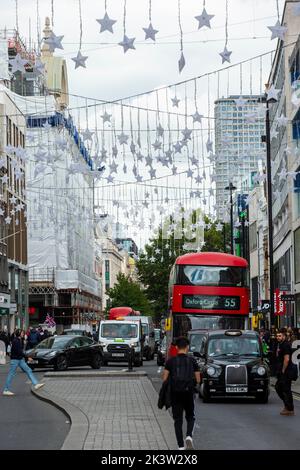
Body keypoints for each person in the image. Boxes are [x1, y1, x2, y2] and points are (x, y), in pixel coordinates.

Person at [163, 336, 201, 450]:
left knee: (177, 420)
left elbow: (164, 378)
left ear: (176, 347)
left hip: (175, 394)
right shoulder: (192, 361)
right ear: (187, 347)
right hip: (188, 393)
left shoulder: (170, 361)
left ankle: (180, 446)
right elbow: (198, 379)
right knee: (190, 416)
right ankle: (189, 436)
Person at [2, 329, 44, 396]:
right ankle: (6, 390)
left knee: (28, 370)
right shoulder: (15, 341)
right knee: (11, 374)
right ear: (19, 333)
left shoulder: (19, 340)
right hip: (15, 360)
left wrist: (24, 344)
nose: (23, 334)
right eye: (22, 333)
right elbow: (19, 351)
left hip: (20, 359)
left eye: (23, 333)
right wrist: (27, 357)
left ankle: (36, 384)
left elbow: (21, 351)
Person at [274, 328, 294, 416]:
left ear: (284, 336)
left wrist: (283, 371)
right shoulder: (280, 344)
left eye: (280, 336)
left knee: (286, 390)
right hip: (281, 372)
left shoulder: (285, 345)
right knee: (279, 388)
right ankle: (287, 406)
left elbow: (287, 359)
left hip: (286, 372)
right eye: (277, 336)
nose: (278, 337)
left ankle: (289, 409)